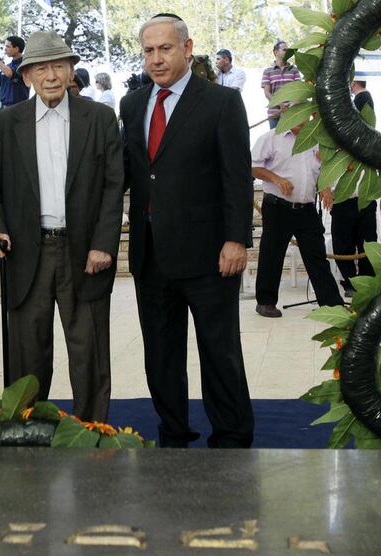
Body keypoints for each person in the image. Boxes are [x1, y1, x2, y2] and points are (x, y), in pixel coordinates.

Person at [0, 31, 125, 422]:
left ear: (71, 70)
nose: (51, 75)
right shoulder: (5, 125)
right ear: (27, 77)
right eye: (41, 68)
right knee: (27, 359)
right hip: (25, 254)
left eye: (59, 65)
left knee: (89, 355)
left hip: (85, 253)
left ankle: (92, 434)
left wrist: (104, 243)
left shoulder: (101, 118)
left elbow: (113, 185)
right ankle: (28, 435)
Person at [120, 13, 254, 448]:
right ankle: (172, 432)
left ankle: (232, 434)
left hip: (210, 253)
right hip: (150, 253)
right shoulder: (133, 104)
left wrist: (237, 239)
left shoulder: (220, 102)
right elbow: (135, 173)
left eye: (165, 48)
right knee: (160, 354)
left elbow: (237, 176)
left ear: (187, 47)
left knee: (219, 351)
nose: (156, 59)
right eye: (148, 51)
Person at [252, 122, 344, 317]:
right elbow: (252, 166)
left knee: (316, 255)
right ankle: (266, 302)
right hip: (278, 206)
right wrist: (276, 179)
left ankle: (331, 304)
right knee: (272, 254)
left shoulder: (315, 140)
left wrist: (325, 187)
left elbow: (319, 171)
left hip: (306, 208)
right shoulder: (271, 138)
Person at [330, 81, 377, 296]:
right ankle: (349, 284)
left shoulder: (371, 139)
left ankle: (367, 283)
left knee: (368, 243)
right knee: (343, 243)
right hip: (341, 198)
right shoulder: (333, 136)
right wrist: (325, 190)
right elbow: (324, 163)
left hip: (365, 197)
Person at [262, 40, 301, 129]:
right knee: (275, 141)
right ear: (275, 52)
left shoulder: (294, 70)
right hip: (274, 114)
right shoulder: (267, 71)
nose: (287, 52)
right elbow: (267, 93)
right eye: (284, 50)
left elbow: (299, 90)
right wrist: (280, 104)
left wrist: (291, 105)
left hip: (291, 114)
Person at [0, 35, 30, 108]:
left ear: (16, 49)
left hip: (19, 108)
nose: (5, 49)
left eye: (8, 47)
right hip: (4, 108)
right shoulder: (8, 66)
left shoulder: (24, 64)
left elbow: (10, 73)